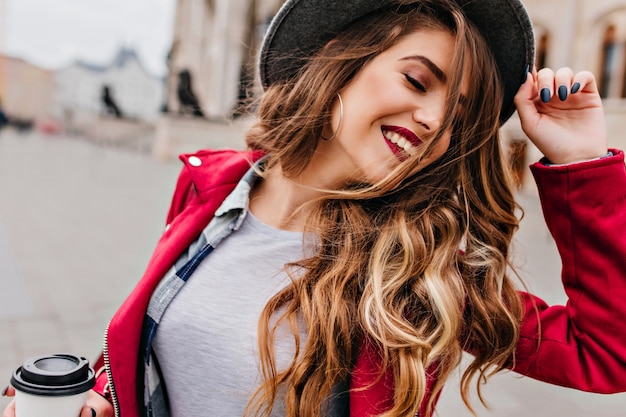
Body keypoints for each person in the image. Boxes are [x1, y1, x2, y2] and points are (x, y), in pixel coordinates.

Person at [3, 0, 626, 416]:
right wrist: (102, 394)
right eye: (417, 80)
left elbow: (607, 352)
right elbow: (163, 346)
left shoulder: (422, 269)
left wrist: (581, 163)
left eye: (458, 116)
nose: (435, 119)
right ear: (340, 60)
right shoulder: (214, 188)